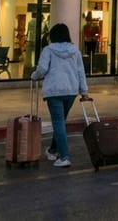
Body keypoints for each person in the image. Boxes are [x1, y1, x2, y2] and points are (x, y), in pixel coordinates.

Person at [31, 23, 91, 168]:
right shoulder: (75, 50)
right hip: (71, 91)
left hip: (54, 91)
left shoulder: (48, 50)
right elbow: (80, 72)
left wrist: (34, 76)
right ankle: (53, 150)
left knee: (58, 123)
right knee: (61, 122)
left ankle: (64, 157)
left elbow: (42, 69)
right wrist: (84, 91)